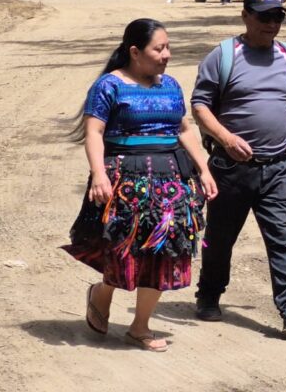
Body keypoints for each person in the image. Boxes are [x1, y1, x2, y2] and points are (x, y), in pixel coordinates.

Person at [62, 18, 217, 352]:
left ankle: (139, 327)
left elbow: (184, 129)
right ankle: (101, 293)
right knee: (121, 253)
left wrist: (203, 168)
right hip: (124, 181)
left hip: (172, 182)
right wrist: (99, 175)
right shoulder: (109, 86)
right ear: (135, 52)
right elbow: (94, 133)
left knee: (166, 253)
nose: (167, 55)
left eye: (167, 47)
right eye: (158, 49)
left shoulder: (172, 85)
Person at [190, 0, 286, 337]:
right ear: (246, 16)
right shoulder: (224, 55)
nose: (272, 24)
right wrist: (225, 138)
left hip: (276, 168)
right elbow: (200, 105)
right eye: (264, 17)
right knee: (219, 240)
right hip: (230, 169)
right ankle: (209, 293)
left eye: (278, 17)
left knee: (282, 238)